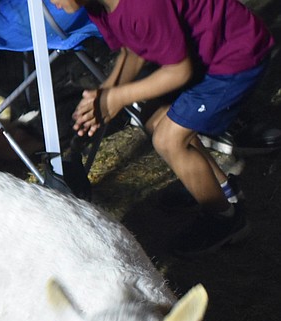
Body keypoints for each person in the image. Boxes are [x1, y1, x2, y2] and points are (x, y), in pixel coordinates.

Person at [51, 0, 275, 257]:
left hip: (234, 55)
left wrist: (117, 98)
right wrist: (102, 96)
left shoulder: (143, 5)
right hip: (205, 53)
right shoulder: (100, 6)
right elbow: (132, 52)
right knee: (154, 120)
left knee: (169, 140)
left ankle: (225, 219)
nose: (51, 3)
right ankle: (221, 189)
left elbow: (179, 71)